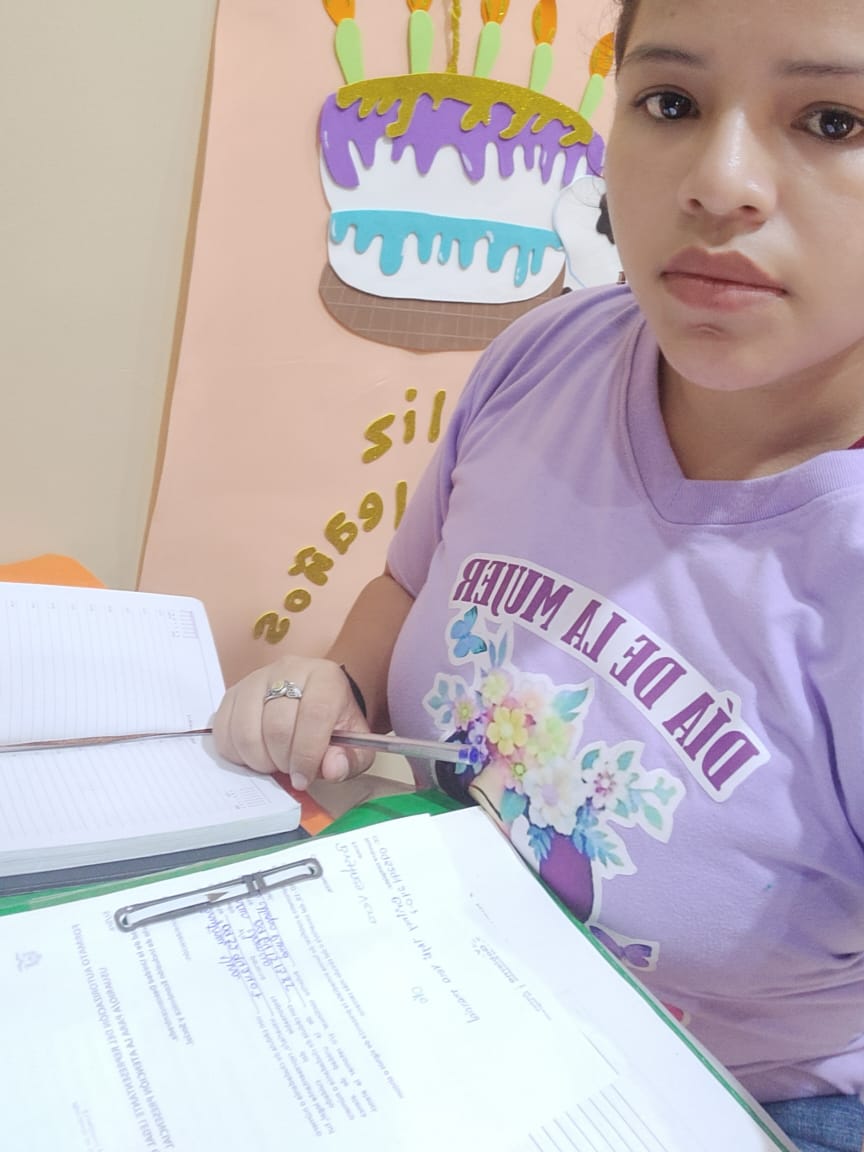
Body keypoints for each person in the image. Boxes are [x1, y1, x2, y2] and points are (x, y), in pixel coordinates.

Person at [214, 1, 864, 1148]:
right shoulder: (545, 355)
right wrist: (333, 685)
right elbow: (406, 590)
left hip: (747, 1094)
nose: (718, 184)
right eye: (671, 101)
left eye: (832, 121)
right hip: (436, 981)